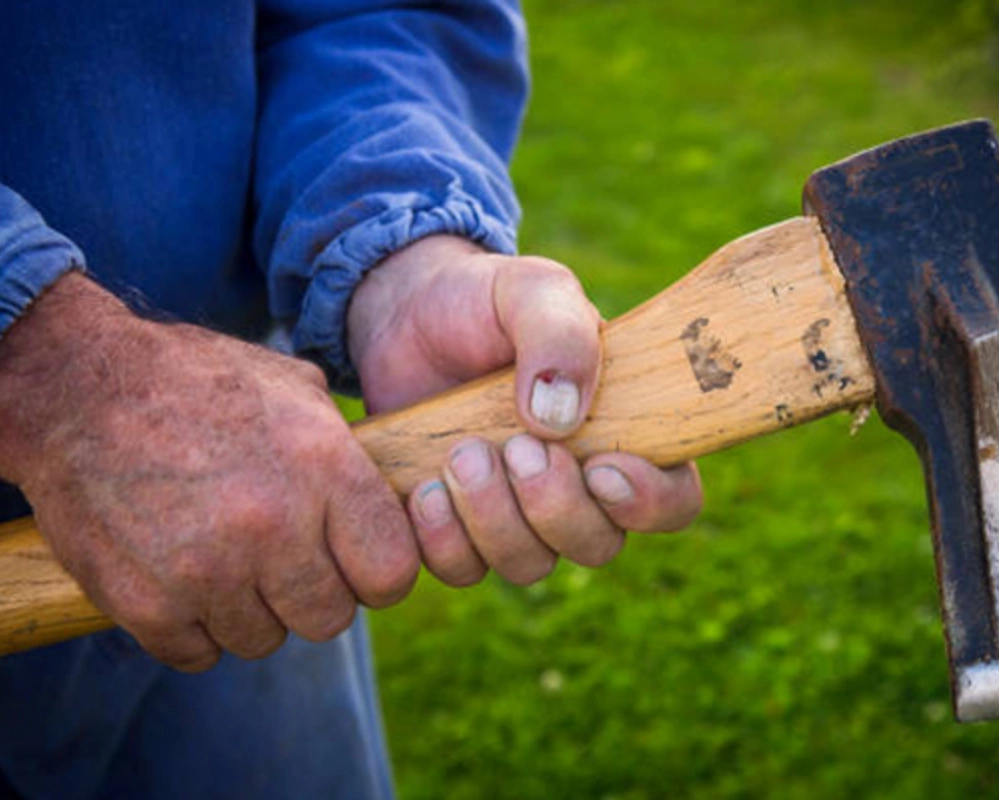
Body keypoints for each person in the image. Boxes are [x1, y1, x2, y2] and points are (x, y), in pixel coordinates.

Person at [0, 1, 703, 797]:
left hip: (252, 475)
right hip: (180, 437)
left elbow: (370, 12)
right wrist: (45, 368)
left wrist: (400, 248)